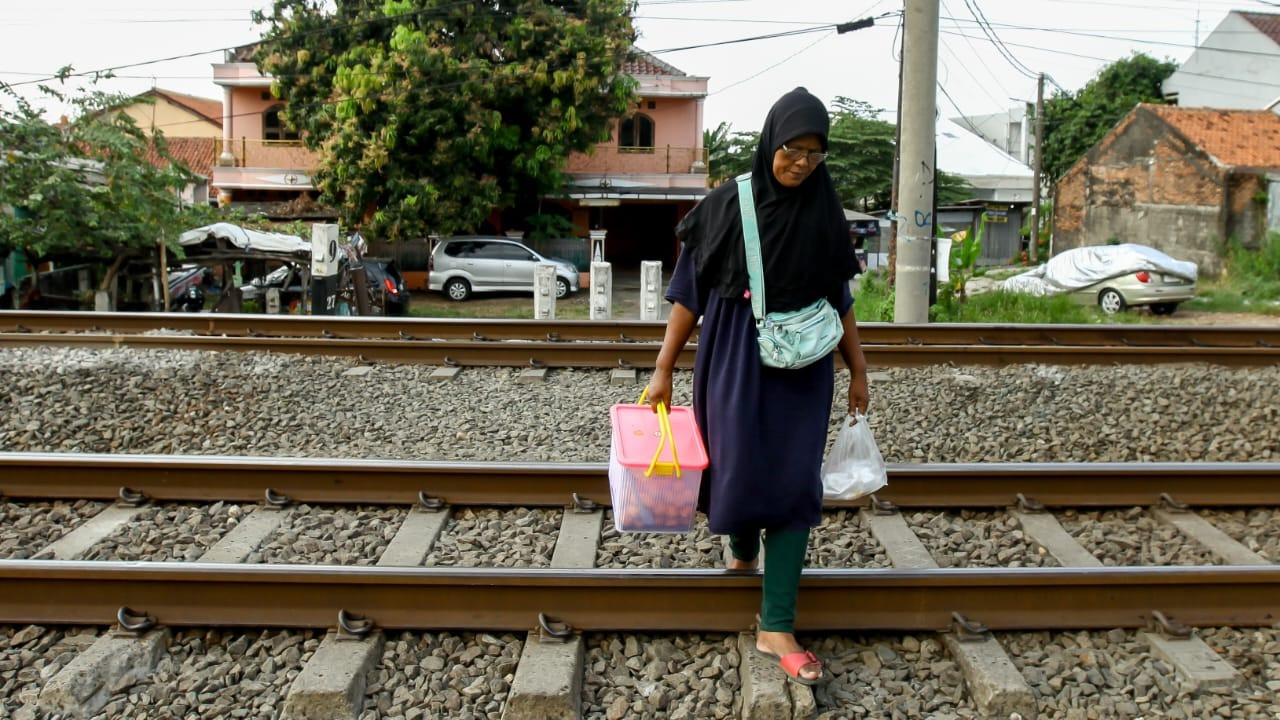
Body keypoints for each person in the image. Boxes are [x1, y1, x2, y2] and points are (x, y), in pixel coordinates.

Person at [645, 87, 870, 686]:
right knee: (737, 467)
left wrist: (859, 370)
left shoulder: (825, 211)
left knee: (795, 484)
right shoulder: (725, 205)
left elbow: (840, 299)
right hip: (734, 358)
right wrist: (664, 367)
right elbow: (688, 294)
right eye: (792, 149)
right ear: (770, 141)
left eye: (814, 154)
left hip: (804, 367)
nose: (800, 162)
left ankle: (777, 625)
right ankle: (743, 549)